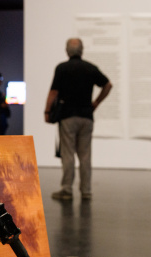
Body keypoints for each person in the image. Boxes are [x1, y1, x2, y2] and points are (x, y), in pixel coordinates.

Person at [44, 38, 112, 201]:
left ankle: (67, 189)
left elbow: (53, 92)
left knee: (68, 154)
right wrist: (95, 103)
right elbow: (108, 85)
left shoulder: (62, 68)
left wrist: (47, 111)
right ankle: (86, 190)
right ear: (81, 51)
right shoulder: (90, 68)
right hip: (86, 117)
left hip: (68, 116)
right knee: (85, 155)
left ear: (67, 51)